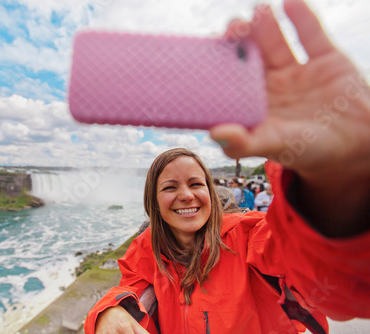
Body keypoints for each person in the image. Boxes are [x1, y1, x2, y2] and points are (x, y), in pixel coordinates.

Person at [85, 0, 370, 333]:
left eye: (195, 183)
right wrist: (107, 312)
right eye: (169, 187)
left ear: (210, 190)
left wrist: (341, 185)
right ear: (153, 202)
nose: (186, 195)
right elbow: (130, 286)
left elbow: (346, 289)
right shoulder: (147, 247)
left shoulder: (251, 238)